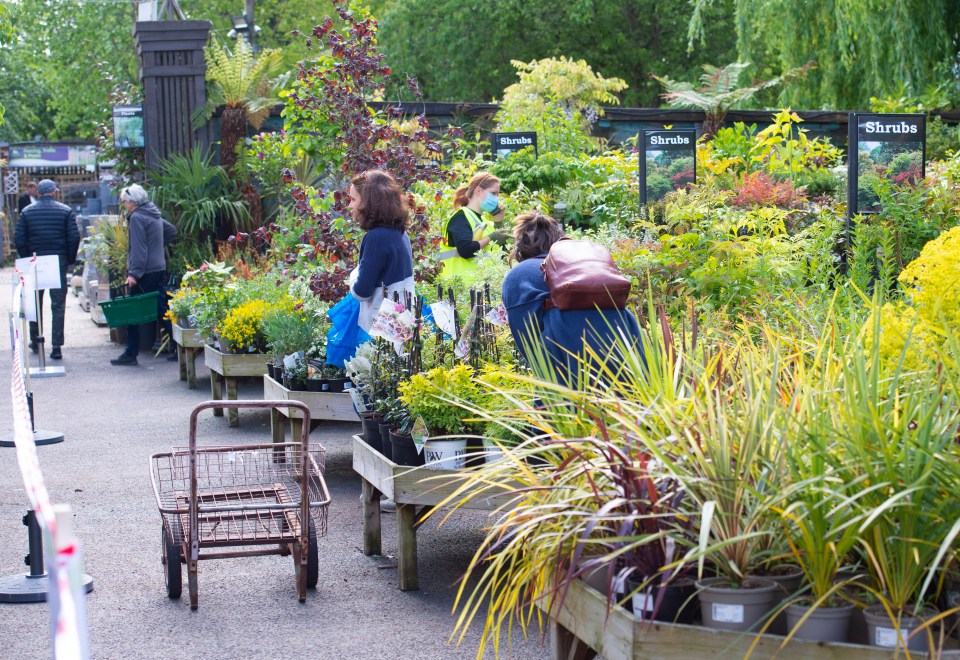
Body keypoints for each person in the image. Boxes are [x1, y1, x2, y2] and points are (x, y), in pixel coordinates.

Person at [501, 212, 643, 386]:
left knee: (559, 410)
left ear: (520, 247)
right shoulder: (587, 266)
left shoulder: (520, 275)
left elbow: (527, 341)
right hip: (629, 352)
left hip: (570, 370)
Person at [110, 184, 177, 366]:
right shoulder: (153, 214)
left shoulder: (138, 218)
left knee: (133, 311)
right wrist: (157, 247)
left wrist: (134, 274)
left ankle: (131, 353)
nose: (124, 205)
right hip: (158, 267)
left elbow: (139, 249)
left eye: (124, 201)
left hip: (145, 271)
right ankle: (179, 345)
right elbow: (171, 231)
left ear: (132, 202)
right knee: (161, 307)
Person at [15, 179, 79, 360]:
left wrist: (27, 258)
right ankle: (56, 346)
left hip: (36, 262)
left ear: (38, 193)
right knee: (58, 304)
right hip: (57, 261)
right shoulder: (65, 211)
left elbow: (19, 238)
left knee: (35, 302)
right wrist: (69, 259)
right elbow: (74, 237)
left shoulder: (27, 212)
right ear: (54, 192)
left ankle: (36, 341)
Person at [348, 170, 415, 332]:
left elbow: (361, 293)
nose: (350, 205)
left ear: (368, 202)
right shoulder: (399, 232)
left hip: (382, 329)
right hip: (401, 322)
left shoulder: (376, 238)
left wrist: (353, 275)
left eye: (353, 199)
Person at [438, 172, 511, 279]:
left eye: (497, 194)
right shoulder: (460, 217)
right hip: (462, 289)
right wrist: (490, 238)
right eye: (493, 193)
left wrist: (498, 222)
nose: (496, 199)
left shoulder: (484, 222)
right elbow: (465, 250)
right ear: (478, 191)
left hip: (483, 287)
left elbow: (502, 254)